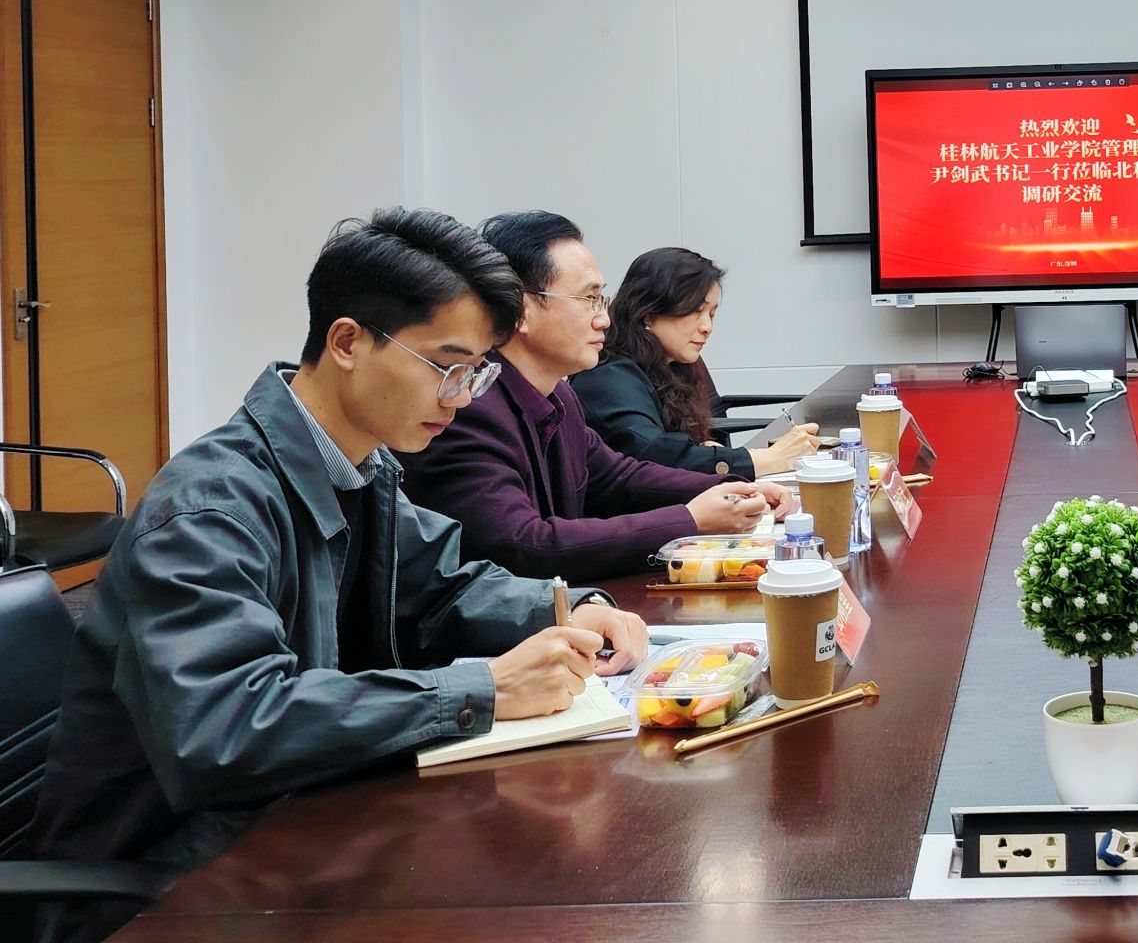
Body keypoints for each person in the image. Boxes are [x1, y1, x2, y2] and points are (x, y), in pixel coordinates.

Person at [31, 210, 651, 943]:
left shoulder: (362, 465)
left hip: (301, 828)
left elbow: (443, 583)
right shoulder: (210, 509)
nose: (460, 397)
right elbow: (228, 724)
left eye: (476, 372)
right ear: (348, 342)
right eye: (446, 367)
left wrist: (564, 607)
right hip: (170, 885)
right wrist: (481, 689)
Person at [399, 211, 794, 585]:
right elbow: (523, 544)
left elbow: (617, 477)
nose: (603, 318)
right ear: (520, 309)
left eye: (601, 300)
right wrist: (689, 520)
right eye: (589, 299)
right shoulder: (469, 405)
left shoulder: (559, 395)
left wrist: (734, 488)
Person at [572, 247, 820, 475]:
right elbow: (655, 457)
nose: (707, 327)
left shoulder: (676, 365)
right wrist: (765, 459)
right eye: (695, 311)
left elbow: (689, 449)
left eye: (712, 314)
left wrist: (707, 449)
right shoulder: (607, 375)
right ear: (648, 311)